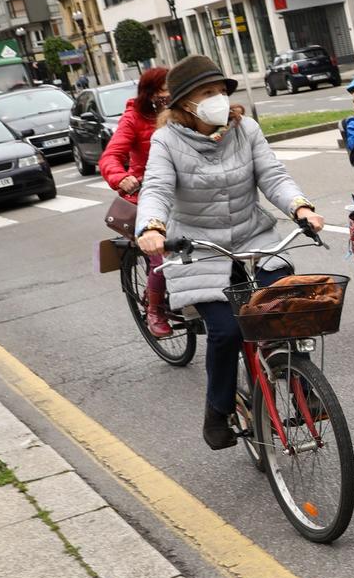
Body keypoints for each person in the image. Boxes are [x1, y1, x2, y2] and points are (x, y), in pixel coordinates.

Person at [133, 55, 324, 449]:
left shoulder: (245, 129)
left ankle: (304, 388)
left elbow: (272, 175)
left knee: (284, 312)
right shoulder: (166, 141)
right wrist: (151, 227)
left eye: (221, 91)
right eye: (208, 93)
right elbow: (156, 189)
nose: (218, 98)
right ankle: (217, 410)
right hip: (198, 249)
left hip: (254, 241)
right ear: (186, 102)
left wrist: (300, 207)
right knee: (225, 332)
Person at [101, 66, 172, 336]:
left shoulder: (182, 110)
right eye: (165, 88)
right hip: (148, 191)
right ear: (151, 93)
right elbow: (110, 157)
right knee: (160, 254)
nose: (171, 93)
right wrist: (121, 178)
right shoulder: (132, 118)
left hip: (181, 186)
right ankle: (155, 310)